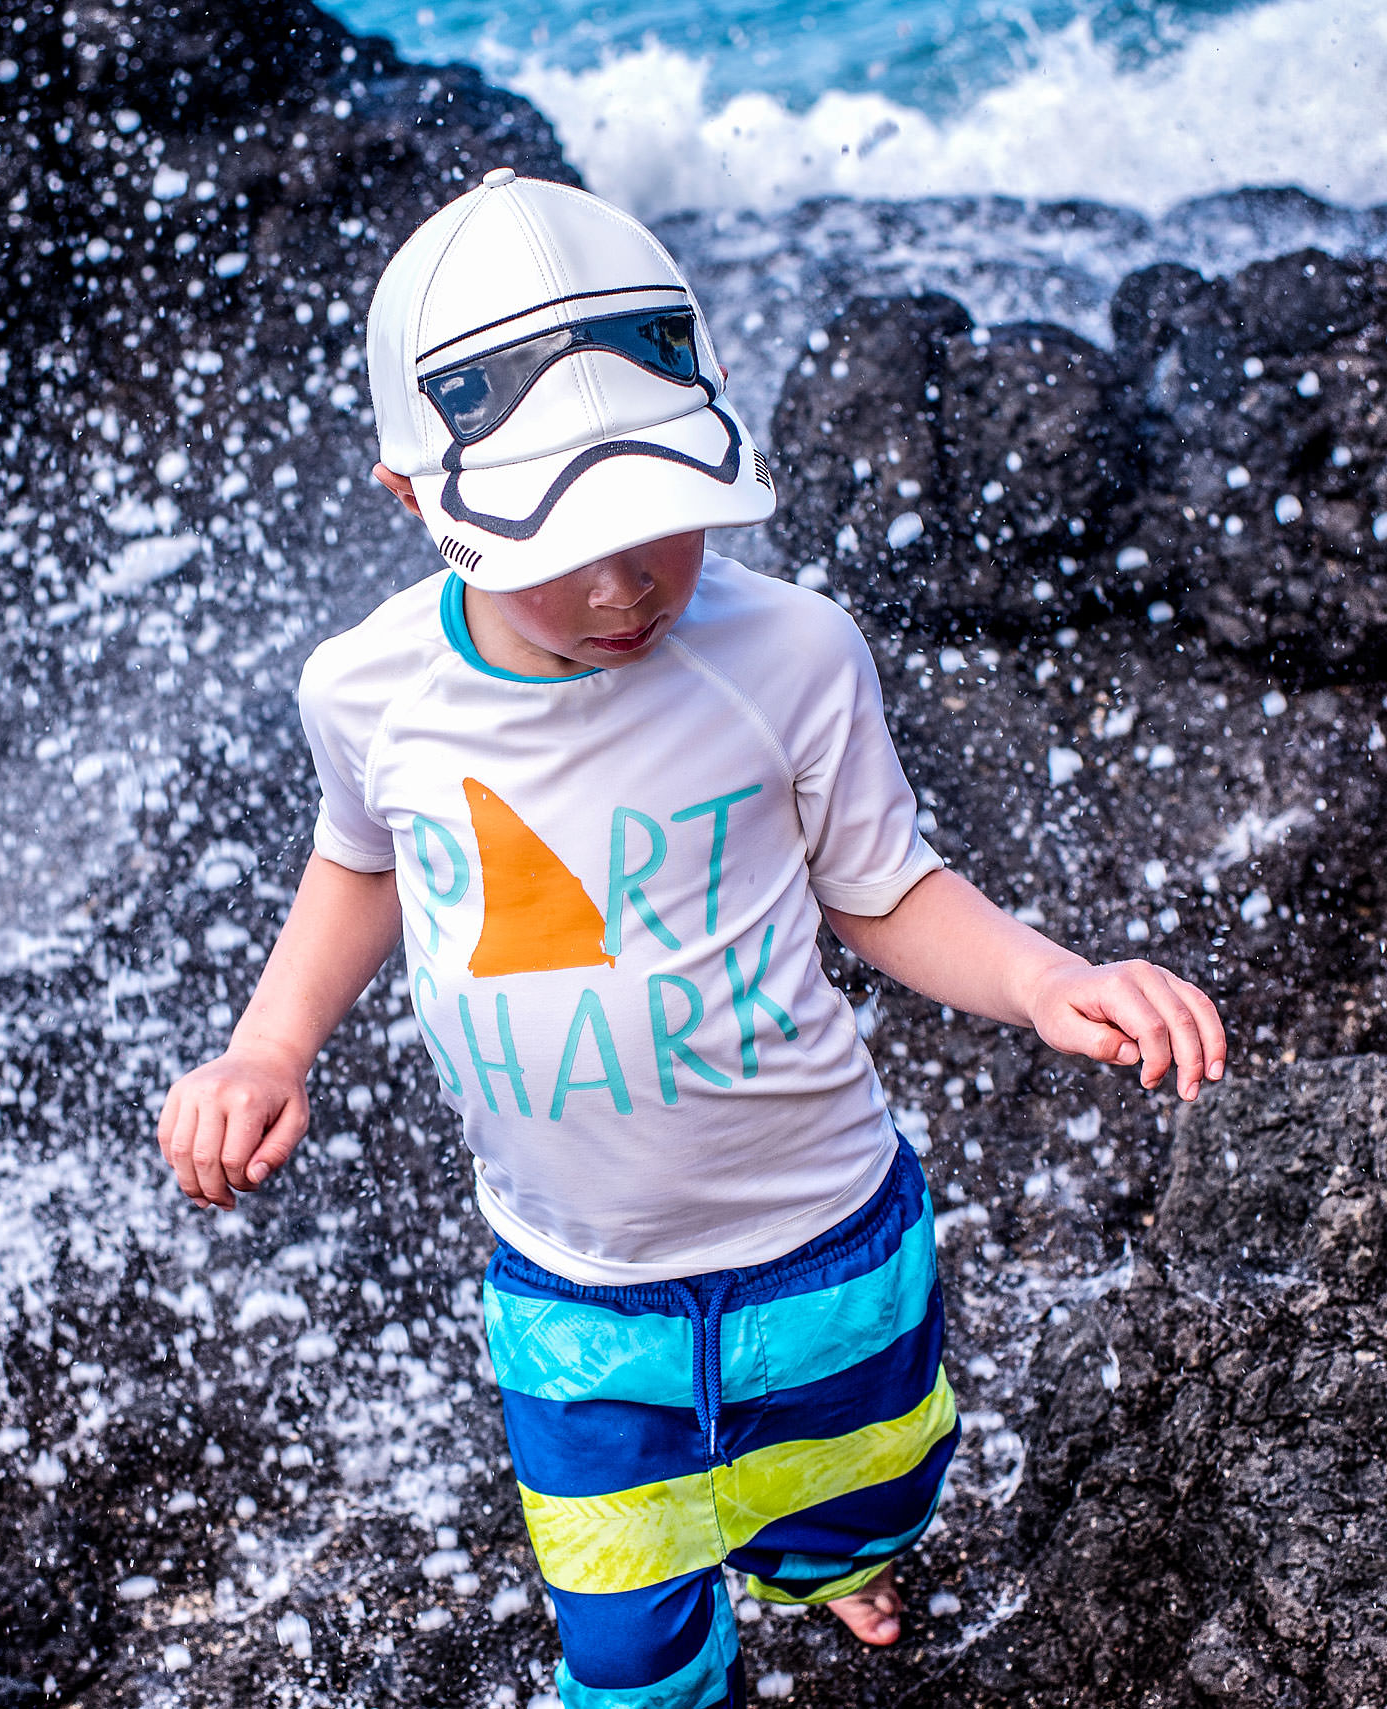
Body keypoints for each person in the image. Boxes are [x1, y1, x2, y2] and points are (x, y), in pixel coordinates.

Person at [154, 171, 1225, 1708]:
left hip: (819, 1225)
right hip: (576, 1287)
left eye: (655, 523)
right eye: (562, 542)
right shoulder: (364, 689)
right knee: (627, 1646)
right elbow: (357, 860)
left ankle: (832, 1561)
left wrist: (1049, 980)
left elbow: (884, 887)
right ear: (417, 500)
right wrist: (271, 1043)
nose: (622, 584)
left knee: (858, 1496)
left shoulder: (791, 651)